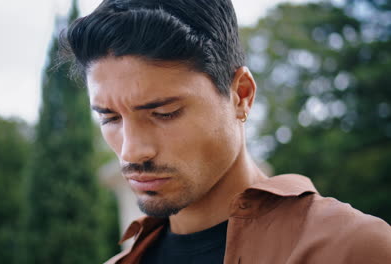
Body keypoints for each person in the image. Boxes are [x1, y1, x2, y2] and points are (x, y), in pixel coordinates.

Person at [59, 0, 391, 263]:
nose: (132, 152)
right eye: (110, 118)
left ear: (241, 95)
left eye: (164, 113)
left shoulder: (353, 249)